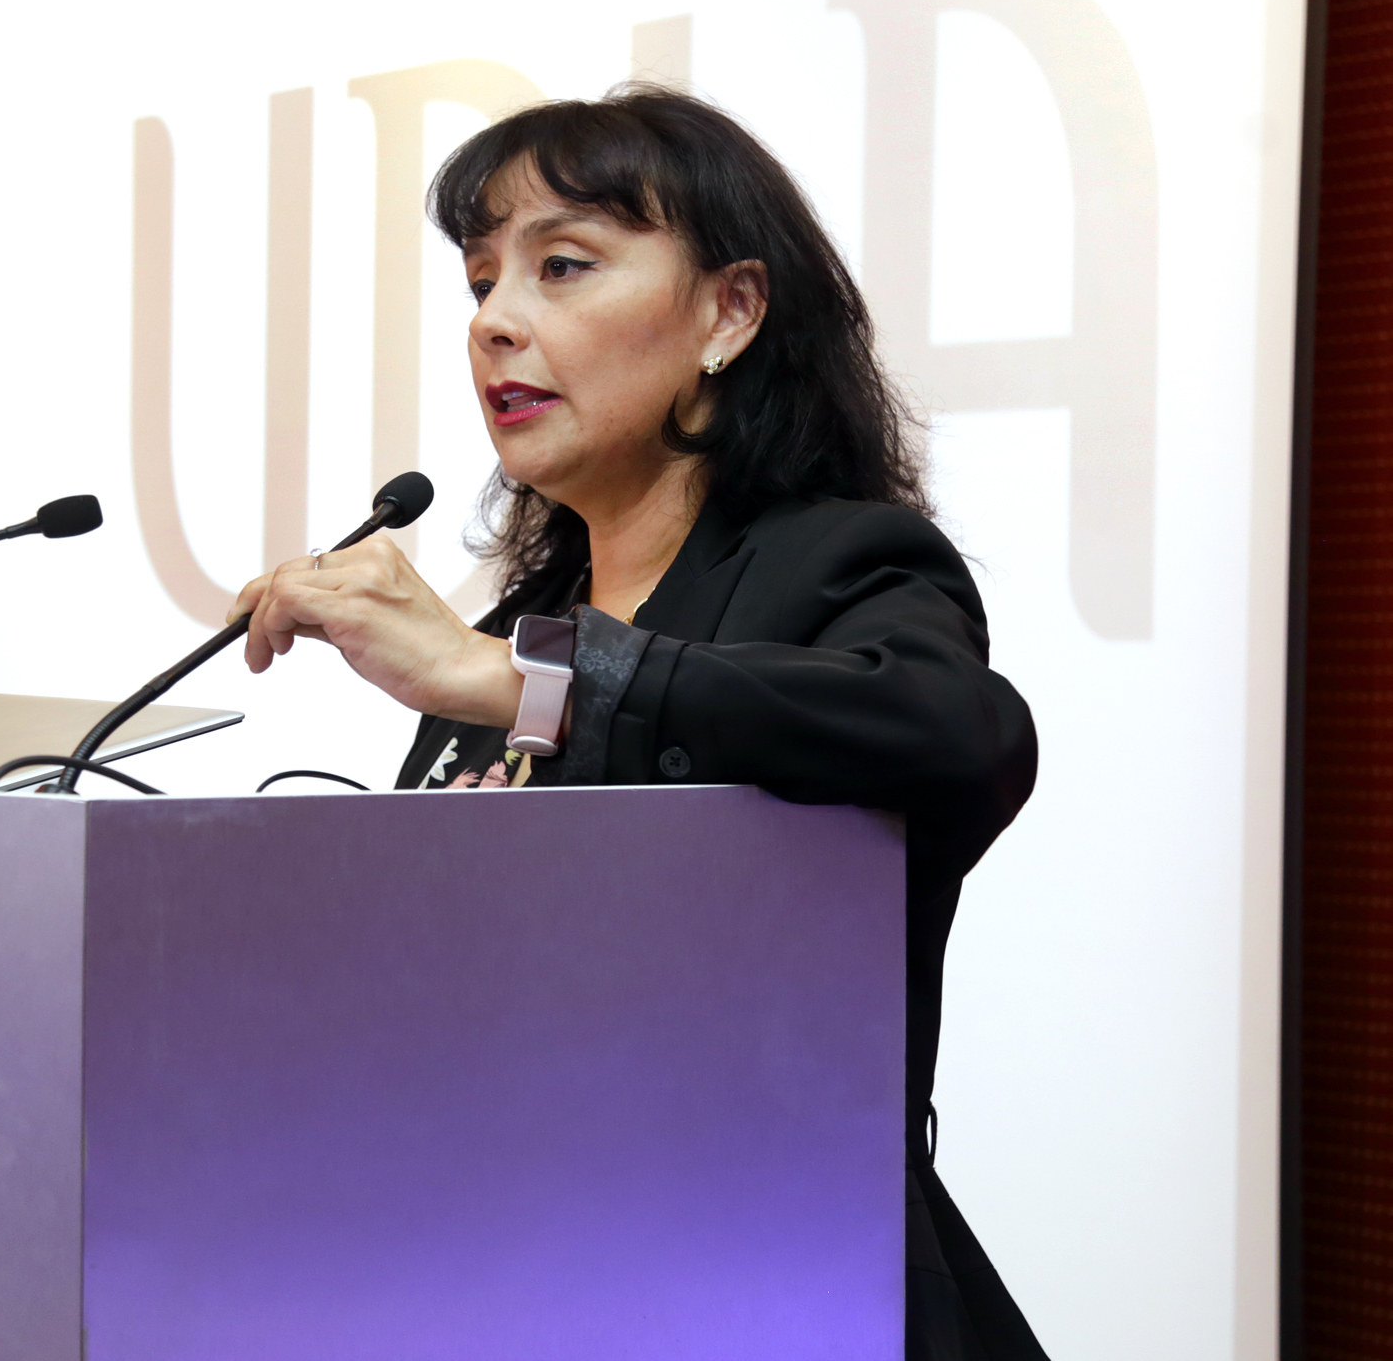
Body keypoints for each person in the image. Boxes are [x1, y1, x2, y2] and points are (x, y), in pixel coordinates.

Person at [229, 84, 1046, 1360]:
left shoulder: (839, 564)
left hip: (779, 1287)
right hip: (510, 1286)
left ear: (729, 312)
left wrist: (521, 682)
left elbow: (958, 733)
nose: (493, 320)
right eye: (481, 280)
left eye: (560, 266)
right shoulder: (521, 625)